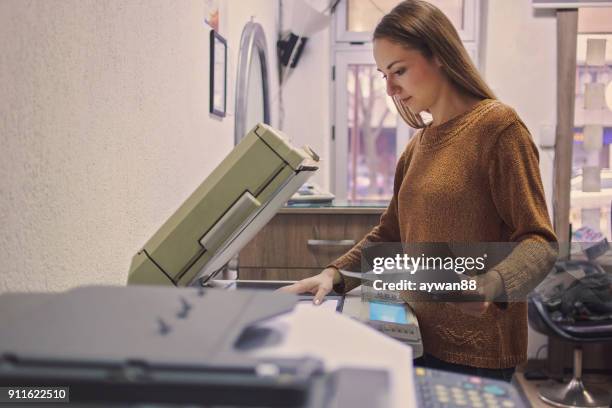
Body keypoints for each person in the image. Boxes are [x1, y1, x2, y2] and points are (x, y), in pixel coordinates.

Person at [280, 0, 557, 381]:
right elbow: (389, 235)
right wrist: (334, 274)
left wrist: (489, 285)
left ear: (440, 55)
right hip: (414, 339)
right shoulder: (419, 145)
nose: (391, 88)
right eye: (383, 75)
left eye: (399, 71)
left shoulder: (498, 128)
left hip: (475, 352)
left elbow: (540, 241)